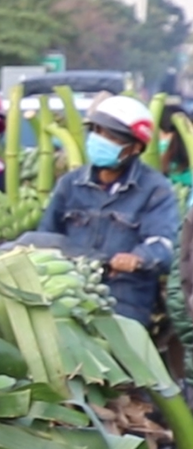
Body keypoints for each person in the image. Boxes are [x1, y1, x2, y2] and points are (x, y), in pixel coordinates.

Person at [41, 95, 179, 325]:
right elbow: (46, 235)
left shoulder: (155, 189)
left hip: (123, 300)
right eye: (97, 132)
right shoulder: (70, 184)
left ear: (136, 147)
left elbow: (164, 244)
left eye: (112, 137)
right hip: (70, 290)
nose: (101, 140)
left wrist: (138, 257)